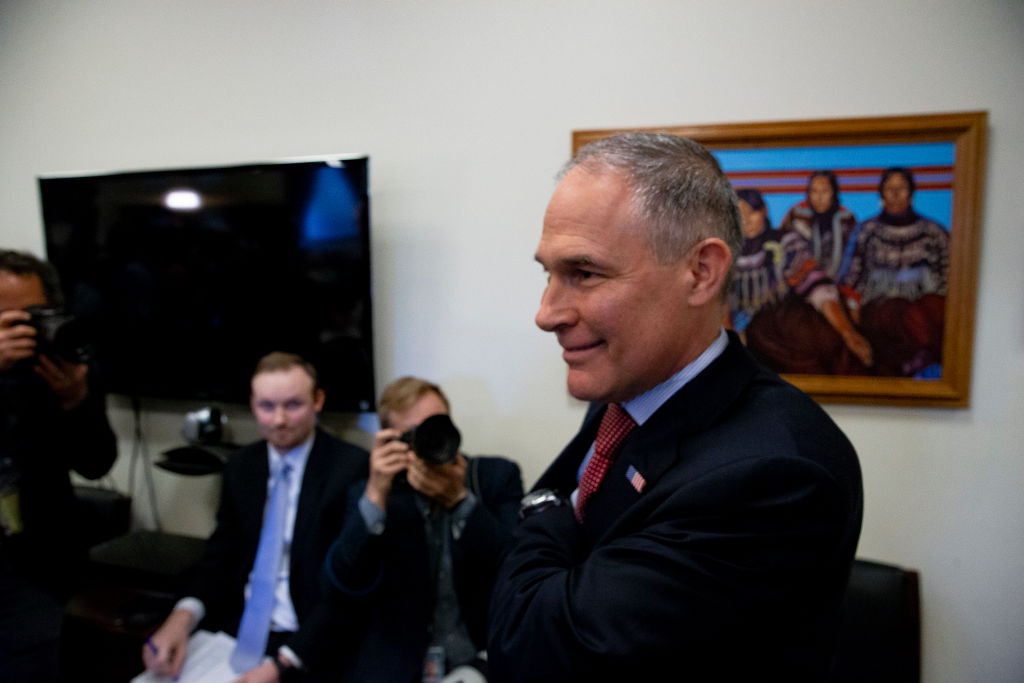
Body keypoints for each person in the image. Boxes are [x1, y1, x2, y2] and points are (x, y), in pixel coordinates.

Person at [487, 133, 863, 681]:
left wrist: (543, 507)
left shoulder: (776, 475)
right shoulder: (628, 396)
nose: (546, 313)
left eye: (584, 274)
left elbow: (536, 645)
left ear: (701, 272)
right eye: (549, 273)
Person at [142, 352, 367, 682]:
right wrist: (181, 617)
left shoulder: (349, 469)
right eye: (266, 406)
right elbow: (219, 558)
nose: (278, 420)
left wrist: (283, 664)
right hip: (238, 628)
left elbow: (346, 588)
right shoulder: (242, 467)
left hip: (306, 641)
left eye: (293, 405)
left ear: (318, 400)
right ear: (252, 404)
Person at [324, 377, 523, 682]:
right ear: (393, 441)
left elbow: (517, 567)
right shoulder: (375, 491)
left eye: (437, 426)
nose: (430, 441)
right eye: (415, 435)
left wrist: (459, 501)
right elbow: (342, 582)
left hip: (479, 656)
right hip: (397, 660)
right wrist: (376, 494)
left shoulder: (495, 477)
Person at [0, 249, 117, 682]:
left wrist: (75, 402)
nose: (17, 328)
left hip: (34, 570)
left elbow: (96, 462)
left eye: (29, 315)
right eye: (2, 316)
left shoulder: (67, 364)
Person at [746, 170, 873, 374]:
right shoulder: (796, 216)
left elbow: (854, 259)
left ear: (834, 193)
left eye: (824, 191)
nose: (819, 197)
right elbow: (786, 258)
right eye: (814, 191)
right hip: (800, 291)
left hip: (837, 289)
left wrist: (849, 296)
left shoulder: (846, 219)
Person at [840, 167, 949, 377]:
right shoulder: (866, 231)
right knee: (895, 311)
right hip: (879, 309)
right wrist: (853, 308)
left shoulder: (934, 232)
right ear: (881, 194)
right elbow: (850, 280)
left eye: (902, 188)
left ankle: (925, 360)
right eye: (890, 189)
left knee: (928, 310)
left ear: (911, 192)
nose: (896, 194)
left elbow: (949, 279)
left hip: (924, 307)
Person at [727, 187, 784, 337]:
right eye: (740, 215)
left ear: (763, 211)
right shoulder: (725, 250)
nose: (746, 221)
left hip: (777, 322)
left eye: (751, 213)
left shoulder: (783, 241)